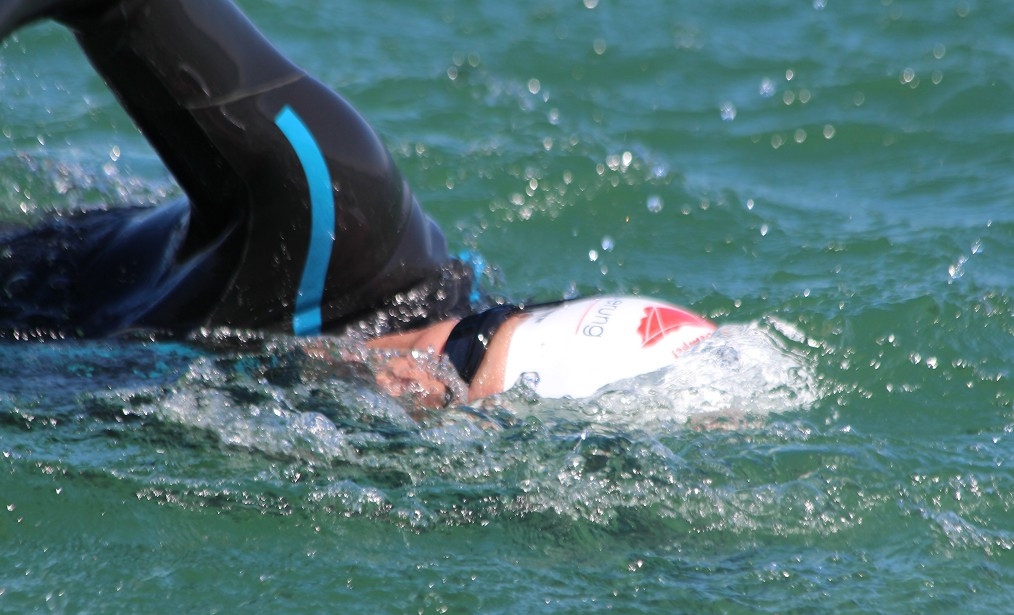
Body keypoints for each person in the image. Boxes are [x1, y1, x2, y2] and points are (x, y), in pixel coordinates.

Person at [0, 0, 717, 404]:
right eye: (456, 364)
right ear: (502, 319)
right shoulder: (339, 213)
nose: (420, 393)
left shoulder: (339, 417)